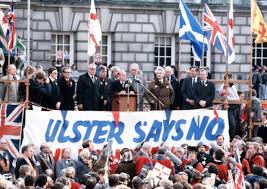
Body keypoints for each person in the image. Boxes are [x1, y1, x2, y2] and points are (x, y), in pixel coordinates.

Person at [219, 72, 240, 139]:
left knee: (235, 124)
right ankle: (230, 138)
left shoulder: (233, 86)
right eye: (230, 78)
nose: (232, 79)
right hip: (228, 107)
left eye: (231, 78)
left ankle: (231, 138)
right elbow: (224, 98)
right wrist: (235, 99)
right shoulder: (223, 87)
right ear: (226, 79)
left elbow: (237, 96)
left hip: (235, 107)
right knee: (231, 124)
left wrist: (236, 99)